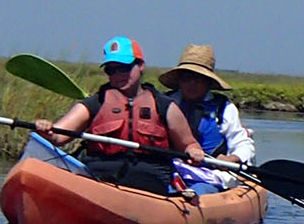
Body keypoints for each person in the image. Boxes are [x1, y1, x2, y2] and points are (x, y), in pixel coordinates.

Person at [32, 37, 208, 194]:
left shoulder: (163, 105)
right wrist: (46, 129)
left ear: (140, 66)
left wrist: (193, 151)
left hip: (149, 185)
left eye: (123, 68)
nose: (117, 75)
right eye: (111, 70)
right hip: (99, 180)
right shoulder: (96, 103)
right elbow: (58, 136)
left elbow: (188, 144)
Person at [156, 44, 255, 194]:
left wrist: (231, 159)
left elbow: (242, 143)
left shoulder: (224, 108)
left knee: (199, 190)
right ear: (179, 80)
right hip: (169, 171)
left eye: (198, 79)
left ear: (208, 82)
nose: (191, 84)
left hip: (209, 176)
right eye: (187, 78)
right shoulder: (165, 103)